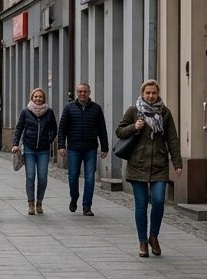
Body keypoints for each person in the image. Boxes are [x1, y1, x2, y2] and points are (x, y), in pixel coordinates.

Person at [115, 79, 183, 258]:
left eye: (154, 93)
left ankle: (154, 236)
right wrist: (134, 127)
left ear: (158, 93)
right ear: (142, 94)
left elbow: (172, 138)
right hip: (137, 164)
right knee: (141, 204)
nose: (151, 96)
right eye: (148, 93)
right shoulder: (133, 111)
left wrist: (177, 163)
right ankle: (143, 242)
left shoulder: (165, 112)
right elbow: (119, 131)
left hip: (159, 164)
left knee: (159, 201)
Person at [57, 83, 109, 216]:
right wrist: (61, 145)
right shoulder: (69, 108)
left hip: (91, 148)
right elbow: (62, 128)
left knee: (90, 178)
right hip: (74, 148)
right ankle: (74, 197)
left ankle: (87, 206)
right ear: (76, 93)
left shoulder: (96, 108)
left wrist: (105, 147)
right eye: (80, 91)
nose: (82, 94)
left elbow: (102, 128)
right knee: (73, 176)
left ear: (89, 92)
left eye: (85, 91)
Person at [11, 87, 59, 215]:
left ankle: (39, 202)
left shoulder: (49, 112)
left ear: (44, 98)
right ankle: (31, 203)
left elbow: (54, 129)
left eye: (40, 97)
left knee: (42, 178)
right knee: (30, 176)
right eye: (36, 96)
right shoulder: (25, 112)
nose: (38, 99)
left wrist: (49, 140)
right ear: (32, 98)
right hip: (29, 149)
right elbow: (19, 128)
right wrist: (15, 144)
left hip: (43, 150)